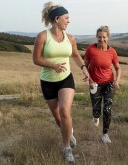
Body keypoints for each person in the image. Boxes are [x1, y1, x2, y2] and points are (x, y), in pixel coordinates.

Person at [33, 1, 89, 162]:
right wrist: (52, 65)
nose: (69, 21)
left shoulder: (70, 38)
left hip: (66, 79)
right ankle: (69, 132)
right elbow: (36, 59)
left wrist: (84, 68)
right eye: (67, 18)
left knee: (65, 111)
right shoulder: (42, 36)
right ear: (57, 19)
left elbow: (76, 55)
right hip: (48, 81)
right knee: (58, 118)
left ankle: (66, 148)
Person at [84, 26, 121, 144]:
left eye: (104, 37)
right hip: (94, 84)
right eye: (99, 37)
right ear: (96, 37)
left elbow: (118, 68)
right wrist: (90, 80)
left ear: (108, 37)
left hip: (109, 83)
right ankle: (95, 116)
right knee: (96, 109)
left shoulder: (112, 52)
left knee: (107, 109)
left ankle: (105, 134)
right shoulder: (90, 49)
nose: (101, 39)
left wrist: (117, 81)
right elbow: (85, 66)